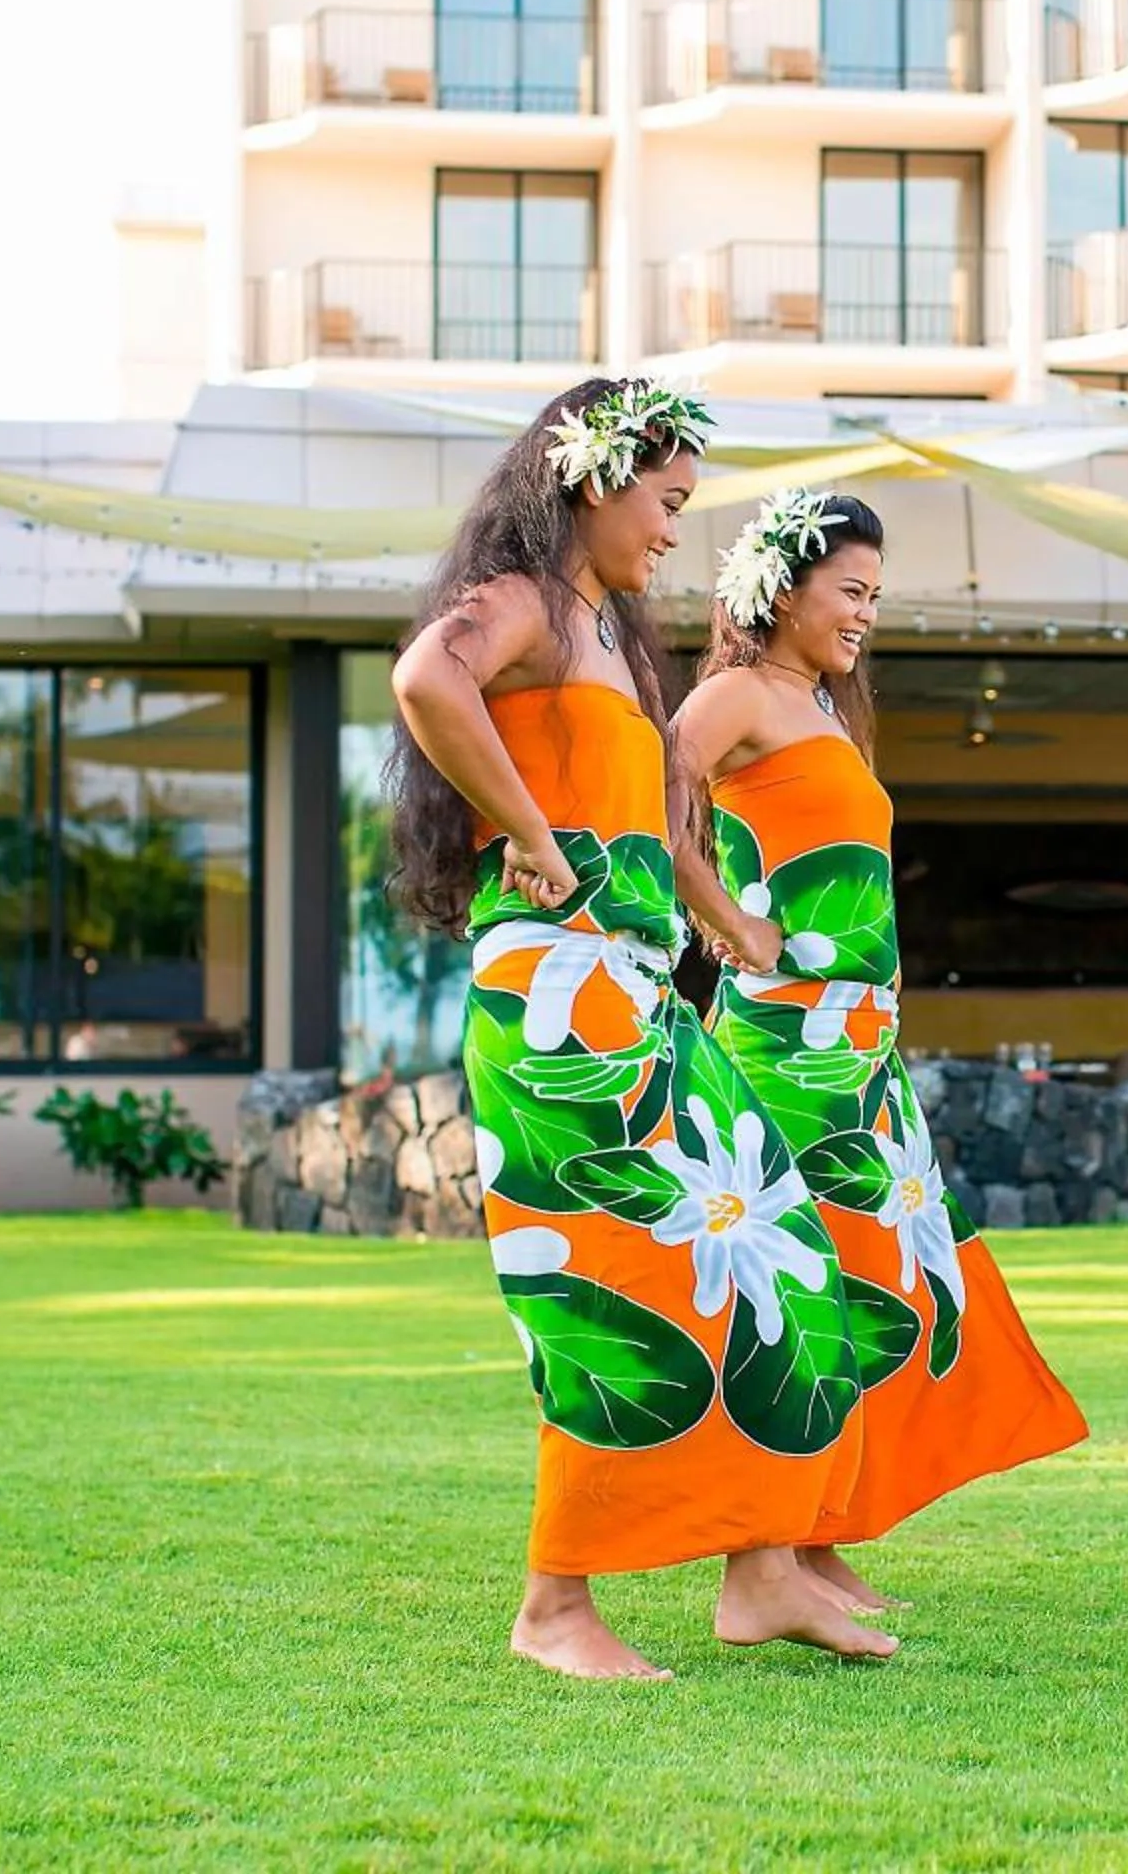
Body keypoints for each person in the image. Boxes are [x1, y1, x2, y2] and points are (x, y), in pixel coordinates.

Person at [384, 376, 895, 1681]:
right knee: (601, 1292)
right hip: (555, 1004)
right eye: (666, 502)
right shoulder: (530, 605)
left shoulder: (609, 633)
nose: (674, 532)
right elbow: (426, 677)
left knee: (778, 1245)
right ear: (595, 482)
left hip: (630, 996)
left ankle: (763, 1569)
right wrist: (537, 836)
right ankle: (555, 1608)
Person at [673, 489, 1088, 1614]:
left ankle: (816, 1539)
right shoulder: (734, 695)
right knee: (809, 1285)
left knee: (885, 1279)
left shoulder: (820, 708)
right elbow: (652, 799)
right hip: (784, 1048)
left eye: (873, 596)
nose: (863, 613)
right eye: (849, 590)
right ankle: (765, 1555)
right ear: (783, 589)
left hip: (857, 1050)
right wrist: (727, 919)